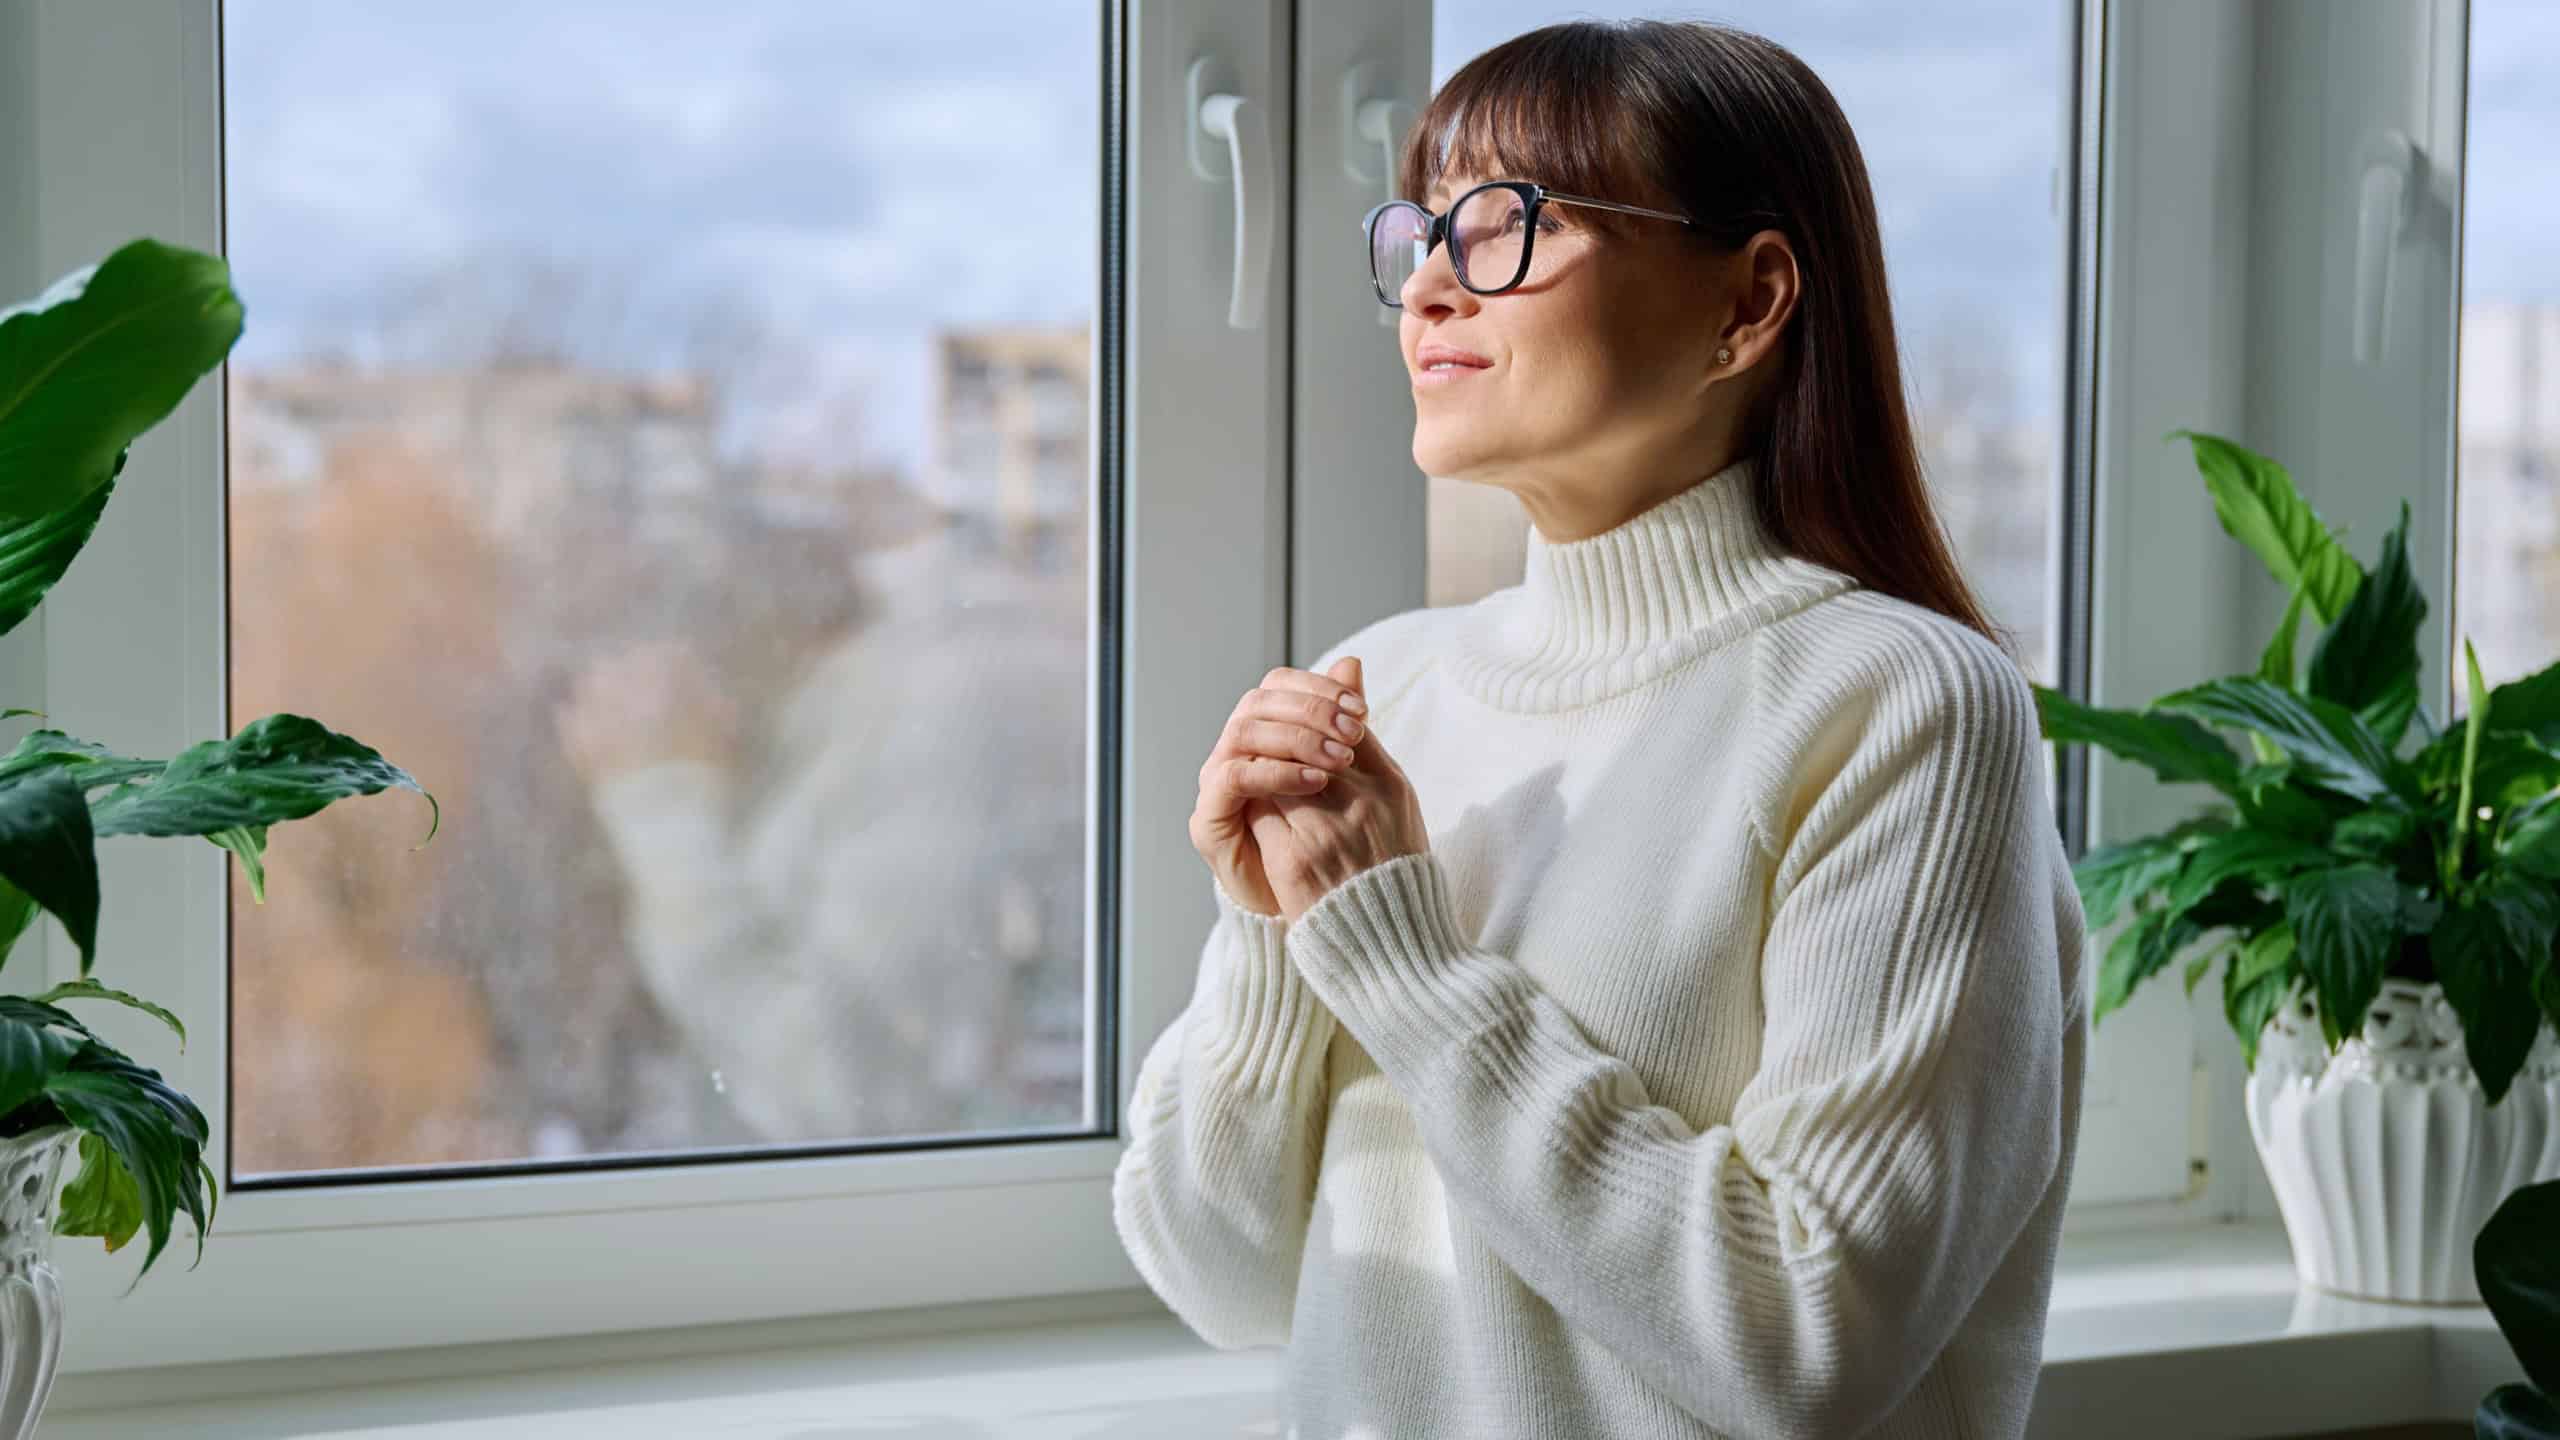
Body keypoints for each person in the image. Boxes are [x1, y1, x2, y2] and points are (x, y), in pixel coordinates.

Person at [1110, 18, 2088, 1440]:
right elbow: (1228, 1285)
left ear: (1749, 305)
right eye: (1424, 230)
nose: (1433, 285)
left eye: (1509, 223)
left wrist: (1405, 966)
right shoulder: (1381, 689)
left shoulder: (1900, 705)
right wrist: (1277, 933)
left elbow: (1806, 1349)